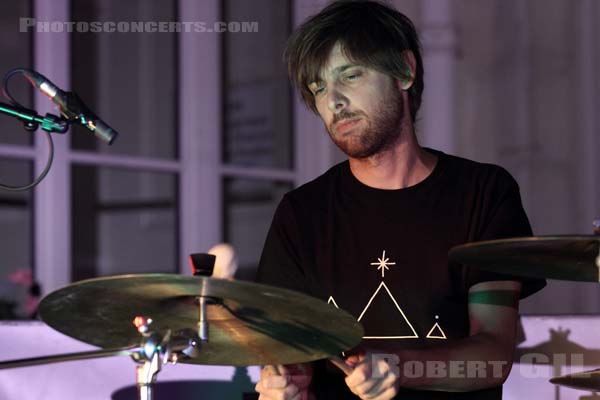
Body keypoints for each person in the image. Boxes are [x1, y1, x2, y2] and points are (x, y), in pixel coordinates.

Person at [254, 1, 545, 399]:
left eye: (350, 75)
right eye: (318, 88)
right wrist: (288, 384)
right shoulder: (300, 213)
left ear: (404, 71)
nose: (333, 101)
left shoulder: (484, 192)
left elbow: (493, 356)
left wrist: (395, 366)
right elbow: (291, 353)